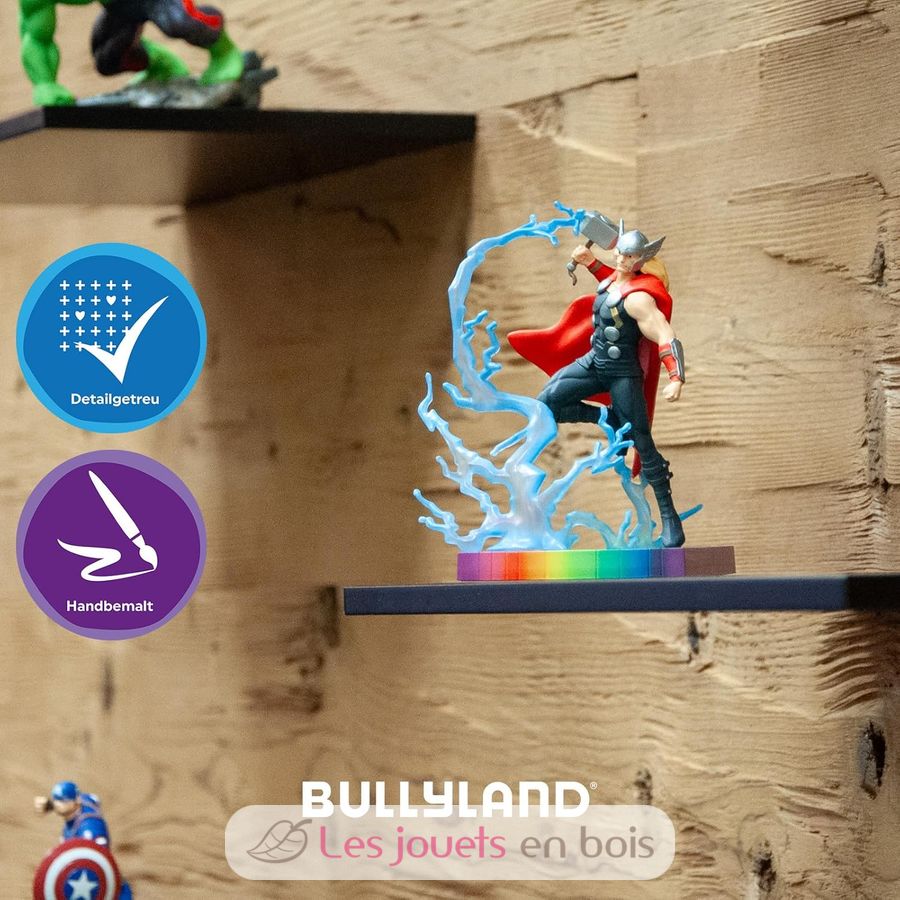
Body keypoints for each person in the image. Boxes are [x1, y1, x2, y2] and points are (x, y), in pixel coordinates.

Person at [509, 221, 687, 547]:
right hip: (592, 363)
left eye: (629, 256)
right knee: (546, 403)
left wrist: (676, 377)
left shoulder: (640, 299)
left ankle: (669, 518)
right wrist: (587, 261)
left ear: (640, 260)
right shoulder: (610, 283)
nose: (621, 259)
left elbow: (664, 334)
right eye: (620, 252)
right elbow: (609, 282)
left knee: (642, 442)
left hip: (622, 373)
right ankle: (605, 418)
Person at [20, 0, 245, 106]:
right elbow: (36, 36)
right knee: (107, 59)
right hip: (121, 6)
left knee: (178, 22)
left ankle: (223, 51)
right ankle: (160, 62)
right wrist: (45, 84)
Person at [35, 780, 133, 898]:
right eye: (55, 800)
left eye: (61, 800)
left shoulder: (89, 830)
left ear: (76, 801)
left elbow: (99, 862)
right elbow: (92, 798)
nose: (57, 804)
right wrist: (49, 805)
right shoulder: (81, 803)